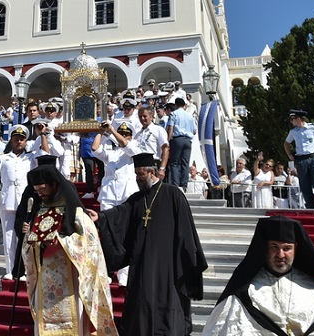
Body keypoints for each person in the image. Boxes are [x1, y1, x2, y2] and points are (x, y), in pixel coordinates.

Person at [90, 152, 207, 335]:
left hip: (168, 266)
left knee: (167, 302)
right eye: (136, 174)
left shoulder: (173, 194)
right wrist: (101, 217)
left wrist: (188, 259)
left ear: (152, 172)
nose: (138, 179)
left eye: (140, 174)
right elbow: (120, 215)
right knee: (141, 302)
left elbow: (186, 230)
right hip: (142, 264)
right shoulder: (137, 199)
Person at [202, 215, 314, 335]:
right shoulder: (244, 292)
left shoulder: (313, 291)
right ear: (264, 249)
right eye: (274, 247)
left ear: (296, 250)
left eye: (287, 248)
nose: (280, 254)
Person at [20, 165, 118, 336]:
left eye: (42, 189)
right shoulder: (39, 210)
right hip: (45, 279)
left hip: (71, 279)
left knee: (75, 322)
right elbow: (28, 245)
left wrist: (60, 242)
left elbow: (89, 242)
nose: (39, 194)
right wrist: (32, 241)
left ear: (54, 185)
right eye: (36, 191)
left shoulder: (76, 213)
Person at [91, 119, 139, 286]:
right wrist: (100, 131)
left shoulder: (134, 148)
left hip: (127, 193)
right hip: (109, 193)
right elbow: (95, 149)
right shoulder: (111, 151)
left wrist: (112, 130)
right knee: (107, 233)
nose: (123, 136)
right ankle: (108, 270)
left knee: (126, 233)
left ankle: (124, 273)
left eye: (126, 134)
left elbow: (126, 145)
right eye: (121, 133)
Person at [0, 125, 38, 280]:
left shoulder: (30, 158)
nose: (19, 142)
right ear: (11, 139)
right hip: (7, 198)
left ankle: (24, 269)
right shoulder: (3, 158)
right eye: (16, 139)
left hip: (25, 199)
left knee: (24, 236)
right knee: (8, 236)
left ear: (26, 141)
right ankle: (10, 270)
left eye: (22, 139)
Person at [284, 109, 314, 209]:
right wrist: (289, 154)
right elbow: (286, 143)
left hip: (313, 157)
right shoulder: (293, 132)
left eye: (292, 119)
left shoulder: (312, 127)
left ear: (298, 119)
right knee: (305, 184)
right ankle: (309, 206)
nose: (291, 122)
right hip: (301, 159)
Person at [166, 97, 197, 188]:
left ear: (176, 105)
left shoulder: (173, 114)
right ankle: (184, 184)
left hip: (177, 139)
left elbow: (170, 127)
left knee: (174, 163)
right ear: (184, 106)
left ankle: (175, 184)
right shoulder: (189, 116)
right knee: (185, 163)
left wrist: (168, 140)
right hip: (187, 140)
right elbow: (194, 131)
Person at [133, 106, 170, 180]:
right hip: (140, 165)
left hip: (153, 164)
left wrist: (162, 168)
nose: (142, 119)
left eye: (144, 116)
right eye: (140, 117)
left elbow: (165, 148)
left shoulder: (158, 130)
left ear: (151, 116)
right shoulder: (138, 134)